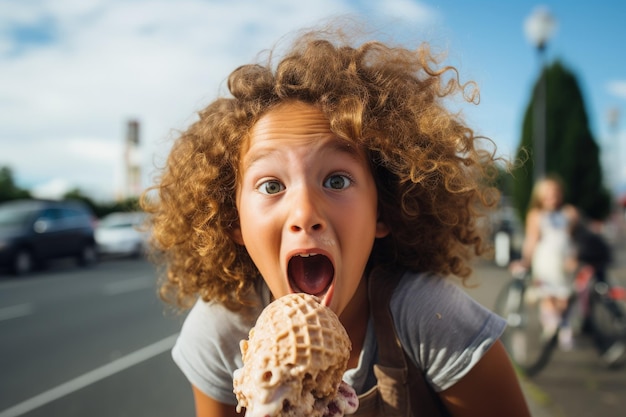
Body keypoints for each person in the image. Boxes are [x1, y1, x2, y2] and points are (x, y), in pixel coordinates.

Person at [142, 24, 531, 417]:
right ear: (235, 222)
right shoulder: (221, 333)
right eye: (272, 185)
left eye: (337, 180)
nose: (305, 213)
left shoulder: (431, 318)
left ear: (383, 210)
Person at [514, 175, 579, 350]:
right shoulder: (536, 215)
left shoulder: (568, 213)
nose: (552, 197)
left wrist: (573, 257)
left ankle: (560, 325)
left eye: (555, 193)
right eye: (548, 193)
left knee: (564, 296)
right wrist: (525, 261)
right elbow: (531, 240)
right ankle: (553, 327)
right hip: (546, 261)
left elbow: (570, 238)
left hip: (564, 261)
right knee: (548, 295)